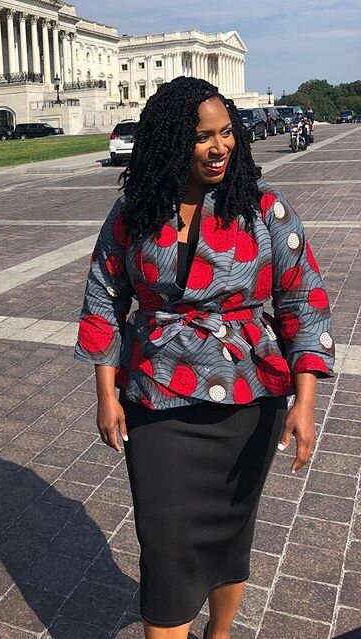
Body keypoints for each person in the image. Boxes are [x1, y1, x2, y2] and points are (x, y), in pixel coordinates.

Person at [75, 76, 334, 639]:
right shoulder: (135, 211)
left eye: (226, 134)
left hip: (250, 399)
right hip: (156, 392)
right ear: (171, 143)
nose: (219, 148)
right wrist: (104, 394)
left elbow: (303, 302)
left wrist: (306, 401)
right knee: (164, 542)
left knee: (228, 534)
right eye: (201, 137)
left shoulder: (265, 209)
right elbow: (103, 298)